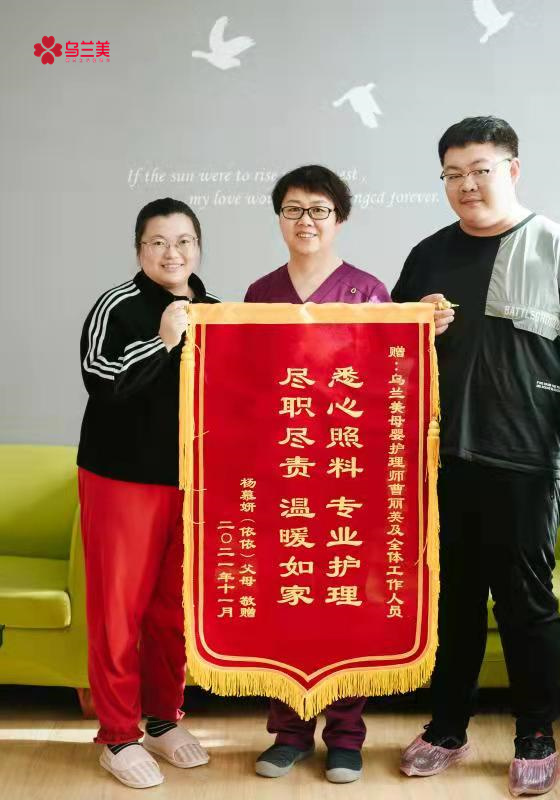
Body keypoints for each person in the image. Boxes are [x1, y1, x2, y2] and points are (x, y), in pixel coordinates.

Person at [391, 117, 560, 797]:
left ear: (512, 169)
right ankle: (446, 728)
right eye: (453, 174)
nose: (467, 184)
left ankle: (535, 735)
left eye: (480, 170)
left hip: (524, 457)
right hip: (443, 457)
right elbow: (388, 353)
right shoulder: (428, 255)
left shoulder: (558, 246)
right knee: (452, 599)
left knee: (525, 602)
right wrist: (417, 322)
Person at [245, 165, 390, 784]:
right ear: (279, 217)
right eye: (293, 209)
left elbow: (391, 379)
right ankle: (289, 733)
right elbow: (244, 384)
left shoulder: (369, 291)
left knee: (347, 603)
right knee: (286, 600)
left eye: (319, 210)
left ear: (340, 219)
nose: (306, 221)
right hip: (283, 473)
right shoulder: (259, 294)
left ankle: (347, 737)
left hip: (348, 476)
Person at [78, 198, 219, 789]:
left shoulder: (216, 311)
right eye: (157, 242)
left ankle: (162, 719)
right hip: (121, 479)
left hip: (192, 482)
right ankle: (117, 734)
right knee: (118, 611)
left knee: (174, 610)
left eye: (183, 241)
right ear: (139, 250)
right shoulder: (116, 305)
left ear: (198, 248)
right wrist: (162, 340)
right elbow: (99, 379)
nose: (171, 253)